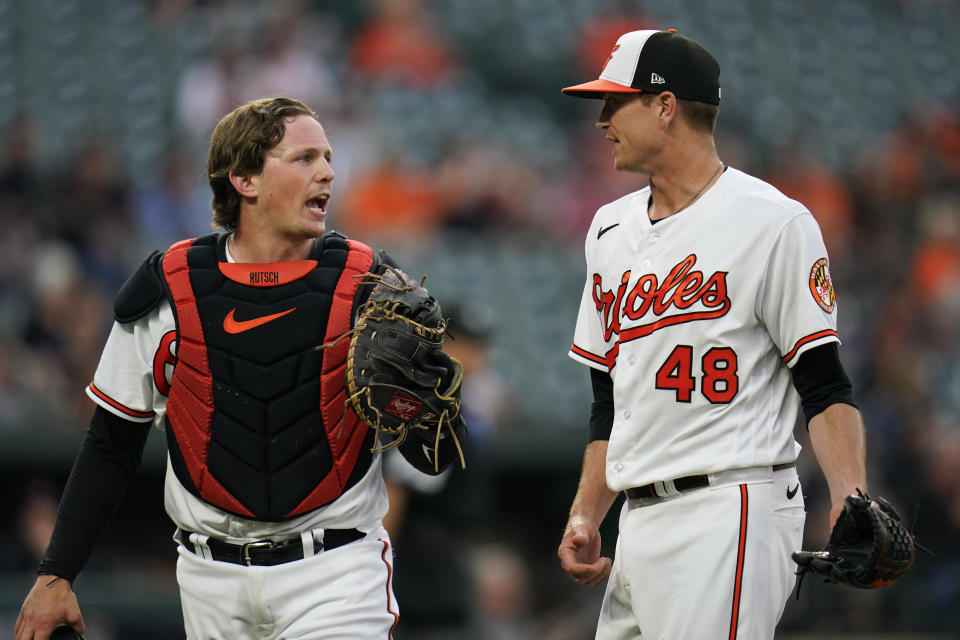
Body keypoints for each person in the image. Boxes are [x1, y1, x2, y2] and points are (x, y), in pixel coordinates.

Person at [14, 96, 465, 640]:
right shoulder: (171, 290)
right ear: (245, 179)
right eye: (304, 159)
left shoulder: (371, 287)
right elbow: (112, 441)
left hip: (336, 571)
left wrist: (415, 405)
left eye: (327, 158)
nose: (327, 172)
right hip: (210, 579)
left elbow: (437, 454)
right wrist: (56, 572)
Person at [556, 30, 867, 639]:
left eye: (616, 102)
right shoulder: (608, 230)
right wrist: (587, 514)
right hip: (638, 520)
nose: (601, 120)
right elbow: (608, 403)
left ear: (665, 107)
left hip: (731, 505)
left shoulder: (772, 222)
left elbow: (823, 383)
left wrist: (850, 498)